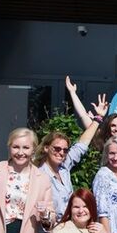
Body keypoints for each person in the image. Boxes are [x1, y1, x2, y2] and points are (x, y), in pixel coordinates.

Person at [35, 83, 109, 219]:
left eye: (65, 150)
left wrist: (98, 118)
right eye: (57, 148)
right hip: (47, 231)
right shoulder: (39, 174)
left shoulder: (64, 166)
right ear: (46, 148)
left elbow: (82, 144)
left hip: (67, 227)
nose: (61, 152)